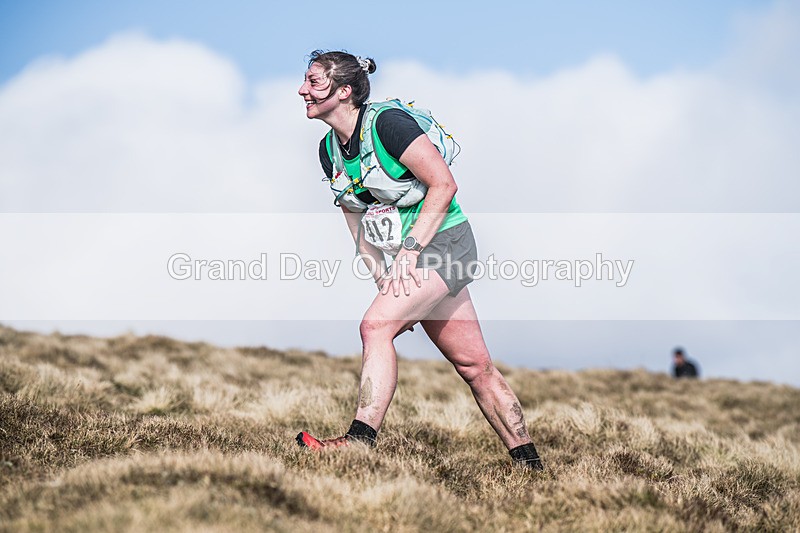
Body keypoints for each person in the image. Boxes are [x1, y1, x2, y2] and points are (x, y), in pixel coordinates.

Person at [295, 50, 543, 470]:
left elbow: (444, 185)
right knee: (475, 366)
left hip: (446, 244)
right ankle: (529, 465)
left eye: (314, 82)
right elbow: (354, 219)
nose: (303, 90)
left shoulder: (389, 125)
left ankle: (359, 442)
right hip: (409, 257)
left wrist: (408, 253)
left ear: (344, 91)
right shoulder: (329, 150)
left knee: (375, 326)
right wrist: (383, 276)